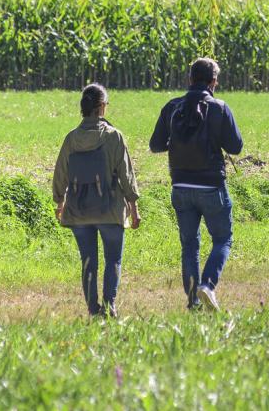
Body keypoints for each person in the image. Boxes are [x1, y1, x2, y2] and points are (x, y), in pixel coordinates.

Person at [149, 57, 243, 311]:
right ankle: (207, 286)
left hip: (180, 187)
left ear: (189, 79)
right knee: (223, 239)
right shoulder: (220, 108)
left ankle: (193, 304)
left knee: (189, 245)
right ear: (214, 82)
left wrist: (178, 144)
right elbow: (236, 146)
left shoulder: (172, 107)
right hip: (212, 186)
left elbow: (155, 145)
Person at [52, 83, 141, 318]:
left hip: (78, 211)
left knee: (88, 261)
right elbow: (126, 175)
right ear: (102, 107)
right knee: (113, 259)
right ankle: (110, 305)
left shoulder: (71, 139)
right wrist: (133, 207)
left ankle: (93, 310)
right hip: (109, 209)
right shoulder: (114, 137)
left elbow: (60, 172)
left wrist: (59, 201)